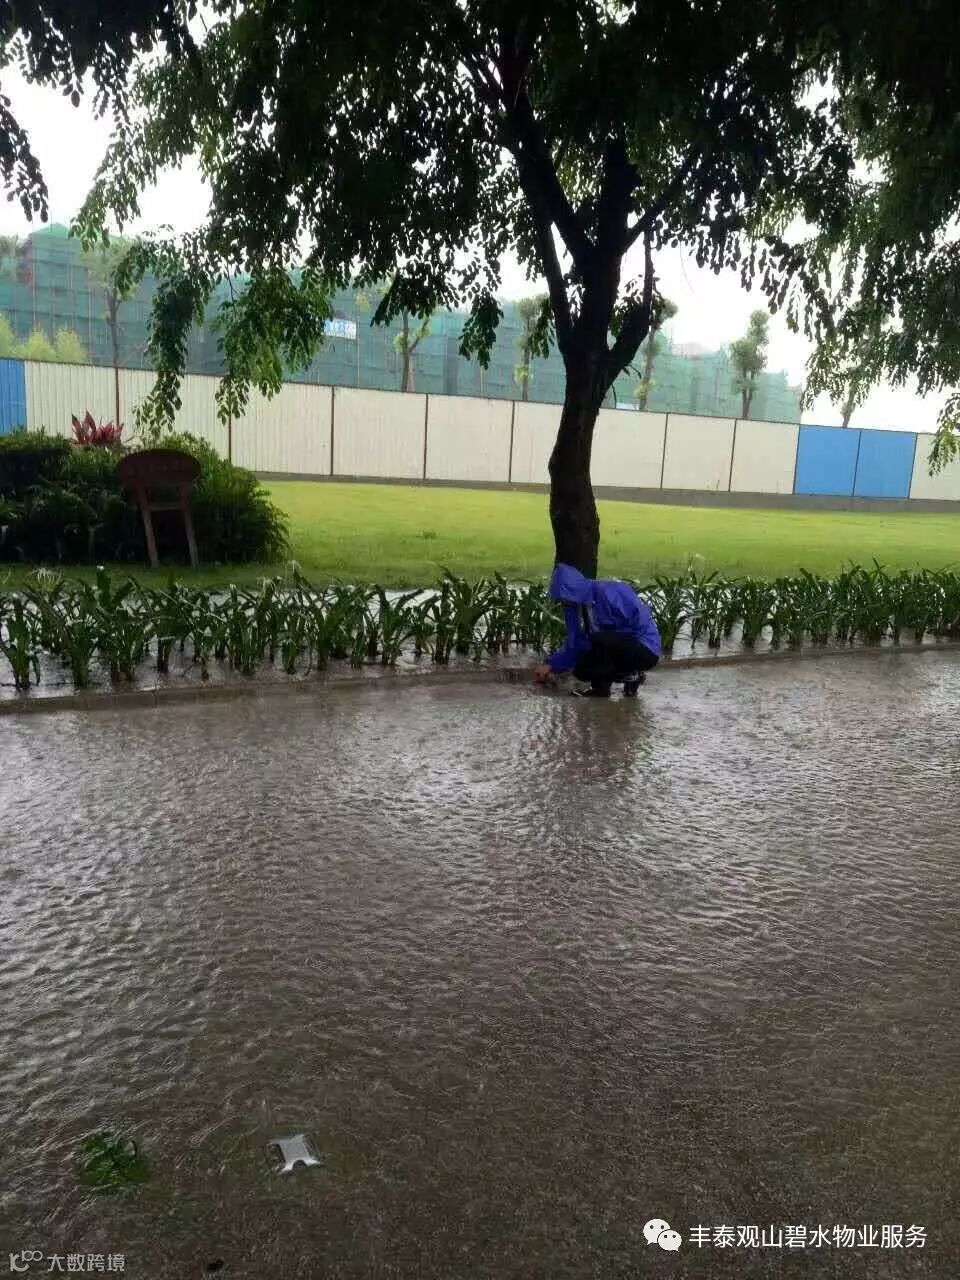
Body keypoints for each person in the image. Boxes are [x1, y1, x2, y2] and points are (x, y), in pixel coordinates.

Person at [532, 563, 661, 698]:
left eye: (564, 596)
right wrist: (550, 665)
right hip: (614, 646)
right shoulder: (574, 606)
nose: (563, 601)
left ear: (573, 589)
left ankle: (601, 689)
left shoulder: (609, 591)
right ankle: (630, 676)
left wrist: (600, 639)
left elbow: (638, 618)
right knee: (581, 670)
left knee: (599, 640)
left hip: (645, 648)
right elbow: (574, 643)